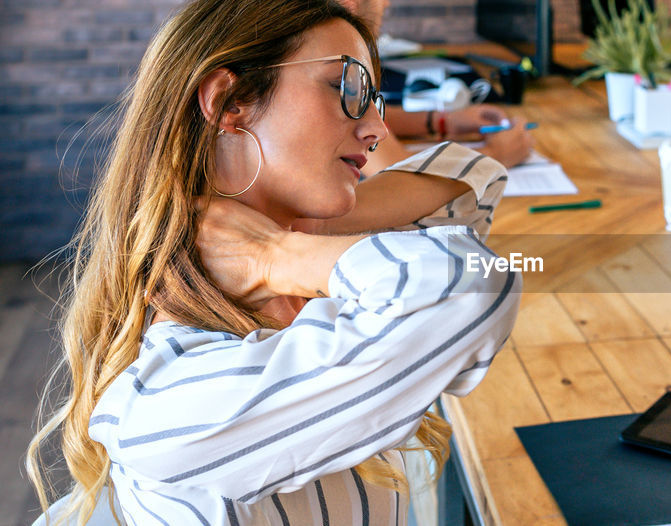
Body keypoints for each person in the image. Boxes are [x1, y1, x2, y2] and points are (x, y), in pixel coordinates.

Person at [25, 1, 521, 524]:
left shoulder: (291, 277)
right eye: (346, 88)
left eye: (373, 99)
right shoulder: (171, 396)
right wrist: (275, 251)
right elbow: (470, 286)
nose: (376, 128)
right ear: (229, 101)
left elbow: (474, 181)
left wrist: (293, 236)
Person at [340, 0, 535, 172]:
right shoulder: (338, 70)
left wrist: (443, 120)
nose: (386, 3)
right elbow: (396, 174)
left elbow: (366, 117)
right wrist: (496, 154)